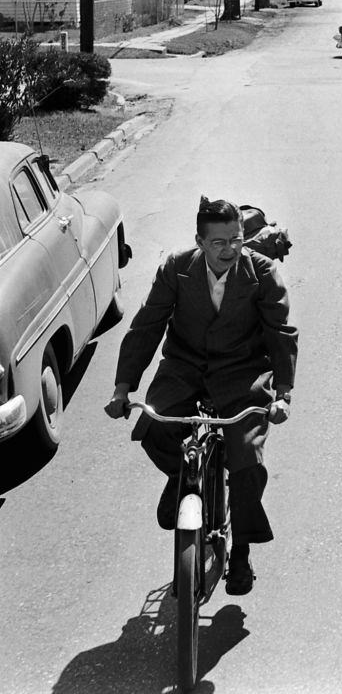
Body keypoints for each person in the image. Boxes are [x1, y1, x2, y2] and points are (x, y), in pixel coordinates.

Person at [104, 198, 298, 597]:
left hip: (241, 373)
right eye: (218, 243)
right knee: (156, 429)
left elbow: (281, 333)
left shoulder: (262, 273)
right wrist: (123, 388)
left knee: (247, 461)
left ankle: (241, 554)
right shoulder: (177, 268)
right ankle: (180, 477)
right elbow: (147, 325)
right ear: (199, 242)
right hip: (184, 368)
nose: (229, 250)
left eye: (236, 240)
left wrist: (283, 393)